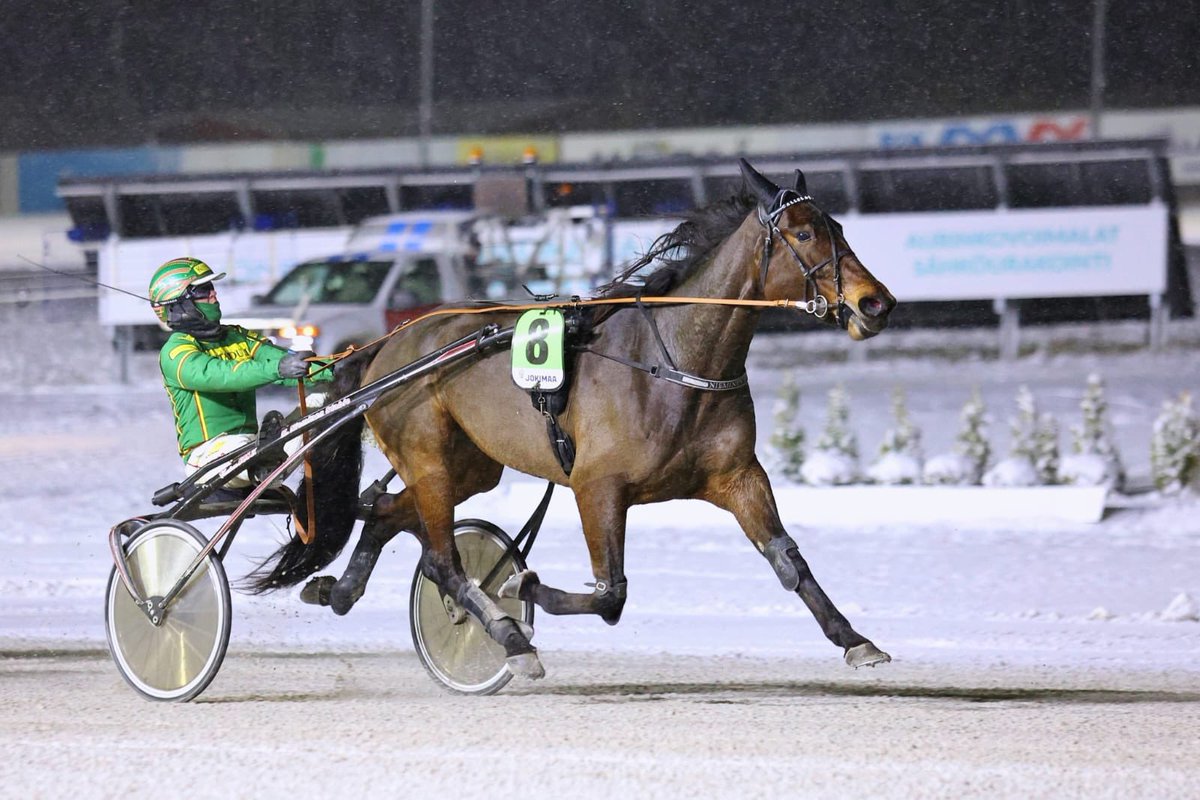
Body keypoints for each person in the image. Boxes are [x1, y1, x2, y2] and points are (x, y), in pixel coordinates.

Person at [149, 257, 333, 487]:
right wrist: (278, 369)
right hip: (207, 457)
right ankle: (264, 464)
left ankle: (267, 462)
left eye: (212, 287)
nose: (214, 295)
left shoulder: (236, 336)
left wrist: (342, 368)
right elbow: (224, 375)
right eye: (203, 290)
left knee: (326, 400)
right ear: (178, 305)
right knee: (239, 447)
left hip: (252, 445)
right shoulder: (175, 352)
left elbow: (281, 359)